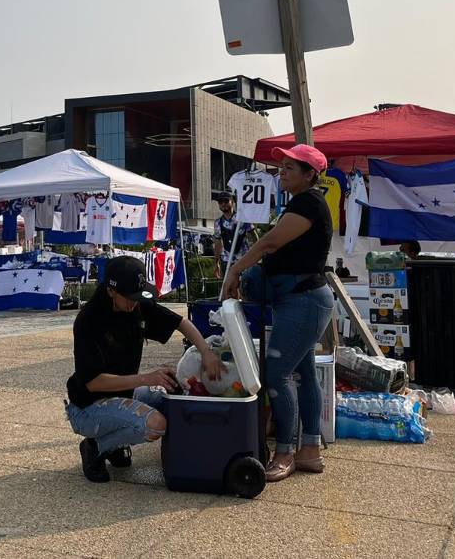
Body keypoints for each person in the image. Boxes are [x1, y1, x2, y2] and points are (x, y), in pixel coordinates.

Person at [223, 143, 335, 483]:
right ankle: (310, 450)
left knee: (276, 374)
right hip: (300, 300)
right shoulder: (301, 202)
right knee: (303, 371)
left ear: (310, 174)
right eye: (281, 166)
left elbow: (269, 243)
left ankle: (285, 452)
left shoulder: (308, 203)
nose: (281, 172)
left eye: (290, 168)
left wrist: (235, 270)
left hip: (303, 301)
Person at [66, 255, 224, 484]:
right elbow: (93, 382)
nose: (134, 303)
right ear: (111, 291)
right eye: (129, 297)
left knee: (173, 399)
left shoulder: (136, 306)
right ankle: (96, 447)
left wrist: (207, 353)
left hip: (123, 394)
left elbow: (181, 323)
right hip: (89, 405)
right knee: (155, 425)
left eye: (138, 296)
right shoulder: (89, 320)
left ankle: (115, 444)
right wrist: (146, 379)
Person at [212, 193, 253, 278]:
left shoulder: (242, 218)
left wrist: (256, 255)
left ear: (232, 202)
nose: (223, 204)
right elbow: (218, 243)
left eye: (226, 201)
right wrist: (217, 263)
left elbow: (253, 237)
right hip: (227, 260)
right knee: (229, 284)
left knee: (245, 284)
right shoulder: (218, 222)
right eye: (220, 202)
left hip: (244, 259)